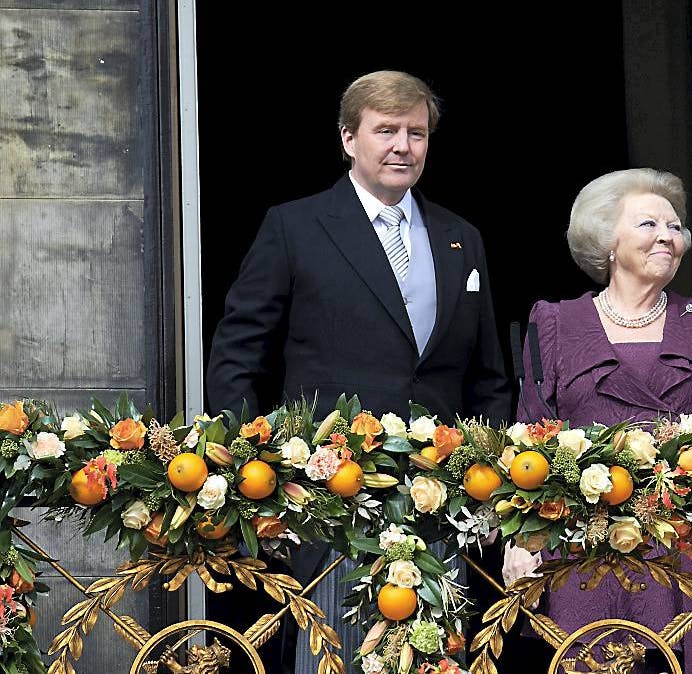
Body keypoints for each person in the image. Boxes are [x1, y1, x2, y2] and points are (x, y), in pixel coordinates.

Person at [205, 70, 511, 673]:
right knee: (333, 656)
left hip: (439, 494)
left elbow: (487, 375)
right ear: (349, 139)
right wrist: (255, 469)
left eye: (416, 133)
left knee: (437, 655)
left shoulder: (460, 237)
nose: (403, 146)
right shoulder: (294, 226)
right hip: (330, 494)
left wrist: (488, 474)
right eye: (386, 130)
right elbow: (239, 354)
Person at [506, 168, 692, 674]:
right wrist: (522, 537)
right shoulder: (557, 322)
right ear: (606, 240)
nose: (668, 236)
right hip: (593, 549)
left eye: (675, 227)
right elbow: (530, 435)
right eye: (649, 224)